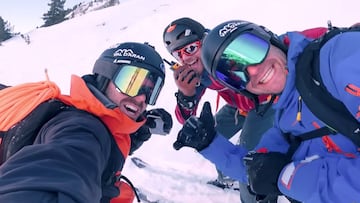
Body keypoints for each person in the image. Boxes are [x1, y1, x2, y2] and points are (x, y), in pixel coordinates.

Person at [175, 19, 360, 203]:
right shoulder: (285, 123)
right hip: (259, 104)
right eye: (235, 75)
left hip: (260, 108)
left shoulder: (337, 60)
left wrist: (289, 179)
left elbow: (321, 42)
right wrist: (209, 144)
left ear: (270, 38)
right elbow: (259, 169)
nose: (253, 71)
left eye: (252, 50)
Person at [0, 42, 173, 203]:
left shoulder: (96, 120)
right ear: (105, 76)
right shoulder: (82, 131)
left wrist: (136, 134)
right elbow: (64, 167)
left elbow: (105, 143)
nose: (141, 97)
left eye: (150, 90)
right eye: (131, 82)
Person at [163, 17, 276, 202]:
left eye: (190, 48)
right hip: (239, 106)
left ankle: (258, 194)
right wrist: (186, 94)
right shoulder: (196, 70)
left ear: (205, 40)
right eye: (178, 54)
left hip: (265, 103)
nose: (186, 58)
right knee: (209, 134)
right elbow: (186, 119)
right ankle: (229, 175)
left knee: (251, 160)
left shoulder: (226, 50)